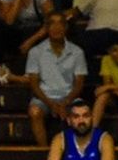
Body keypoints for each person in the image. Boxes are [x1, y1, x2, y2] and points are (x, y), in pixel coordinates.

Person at [22, 10, 86, 146]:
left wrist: (65, 102)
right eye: (52, 24)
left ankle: (78, 153)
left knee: (82, 112)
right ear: (46, 28)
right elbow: (34, 84)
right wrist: (51, 104)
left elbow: (79, 83)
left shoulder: (77, 52)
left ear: (66, 27)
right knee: (34, 112)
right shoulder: (36, 52)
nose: (56, 28)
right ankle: (44, 152)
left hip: (69, 97)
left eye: (60, 24)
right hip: (44, 98)